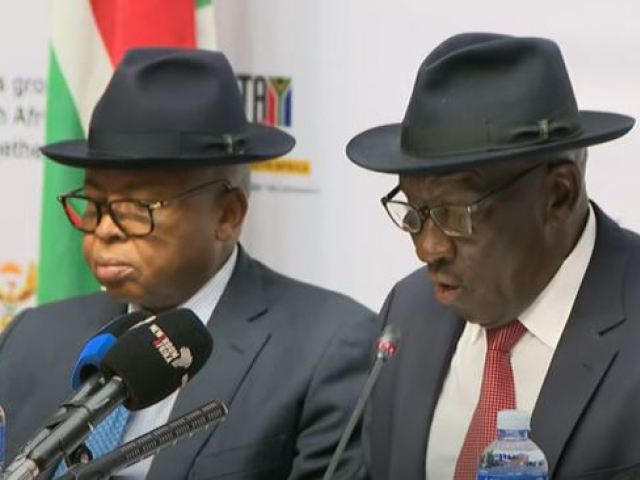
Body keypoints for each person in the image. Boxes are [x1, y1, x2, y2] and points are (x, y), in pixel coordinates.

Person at [0, 48, 377, 480]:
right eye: (94, 203)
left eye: (135, 208)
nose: (104, 229)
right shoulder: (30, 338)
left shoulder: (327, 348)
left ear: (227, 215)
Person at [346, 33, 639, 480]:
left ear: (558, 196)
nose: (427, 248)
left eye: (455, 215)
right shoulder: (407, 313)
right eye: (415, 213)